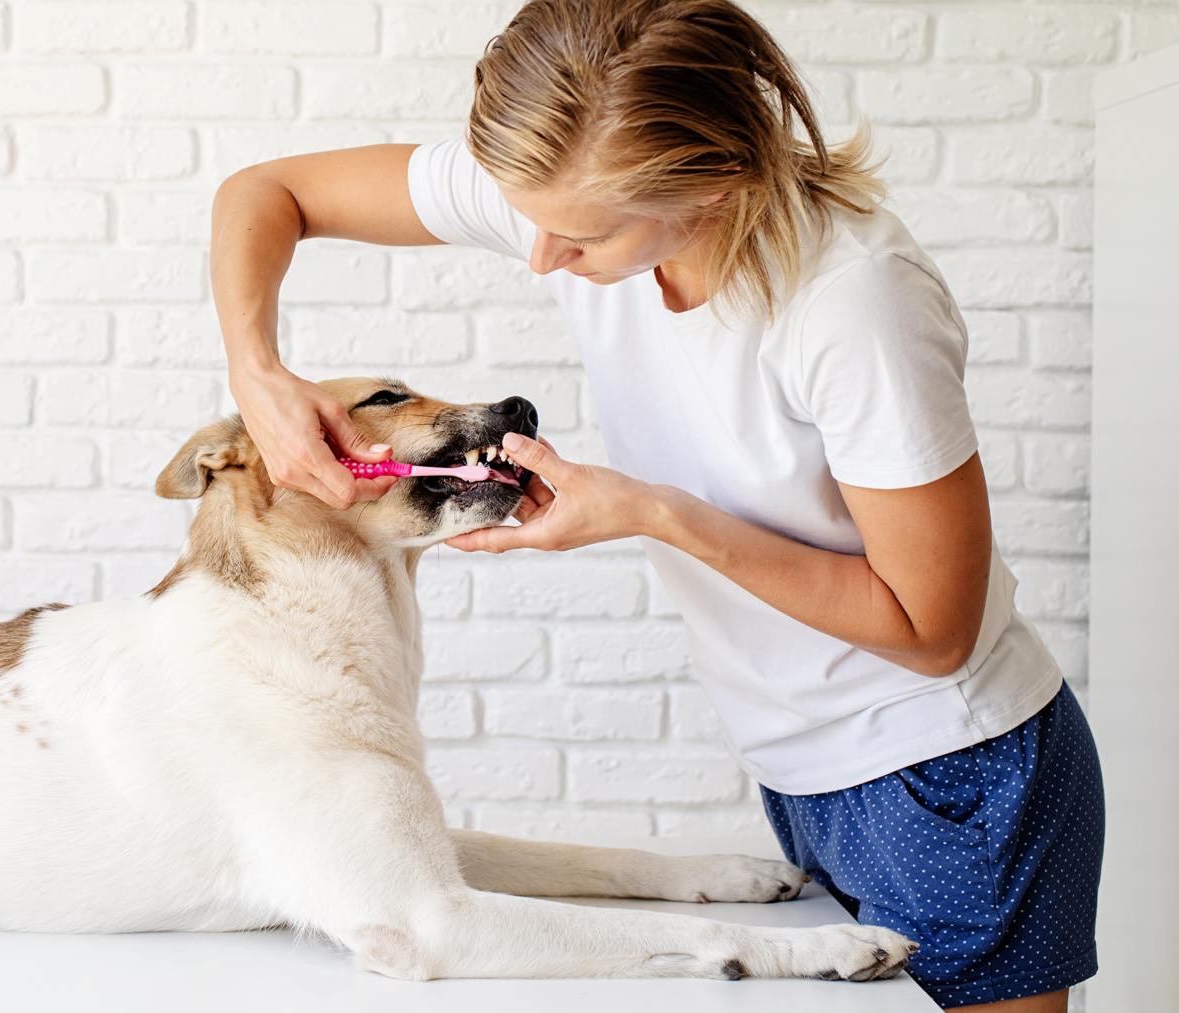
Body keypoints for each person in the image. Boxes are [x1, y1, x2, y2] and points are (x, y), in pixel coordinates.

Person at [206, 0, 1104, 1009]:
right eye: (525, 213)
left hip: (947, 771)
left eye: (581, 235)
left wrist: (652, 511)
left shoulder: (854, 304)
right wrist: (257, 370)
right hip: (799, 769)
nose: (540, 254)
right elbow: (265, 191)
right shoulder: (565, 189)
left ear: (713, 178)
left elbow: (933, 631)